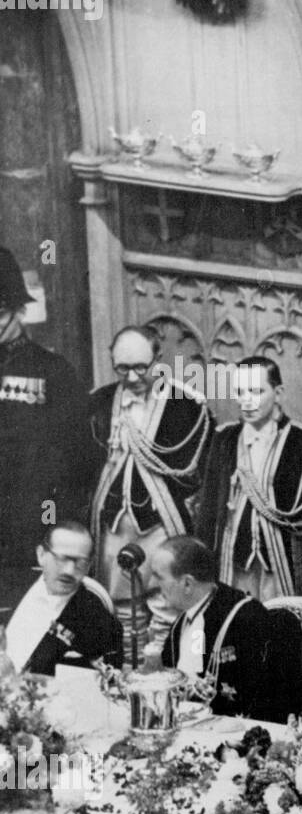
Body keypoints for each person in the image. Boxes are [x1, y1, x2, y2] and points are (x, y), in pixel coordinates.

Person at [89, 325, 212, 651]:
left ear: (158, 359)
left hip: (164, 527)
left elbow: (200, 477)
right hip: (114, 526)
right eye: (122, 368)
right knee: (122, 612)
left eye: (140, 368)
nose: (131, 378)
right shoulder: (99, 403)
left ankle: (168, 678)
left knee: (169, 611)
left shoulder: (188, 407)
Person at [194, 356, 302, 600]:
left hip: (284, 564)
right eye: (240, 392)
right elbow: (208, 508)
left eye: (256, 391)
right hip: (232, 563)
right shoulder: (224, 438)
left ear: (278, 393)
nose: (246, 400)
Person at [0, 246, 89, 609]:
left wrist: (49, 526)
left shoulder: (52, 372)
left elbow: (74, 463)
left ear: (18, 311)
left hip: (29, 536)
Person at [155, 534, 277, 719]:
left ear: (187, 583)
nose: (155, 586)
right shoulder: (183, 619)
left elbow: (260, 699)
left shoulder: (246, 618)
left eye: (159, 578)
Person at [3, 521, 121, 675]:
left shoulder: (100, 623)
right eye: (62, 559)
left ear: (88, 566)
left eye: (80, 562)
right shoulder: (8, 586)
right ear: (41, 555)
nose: (69, 570)